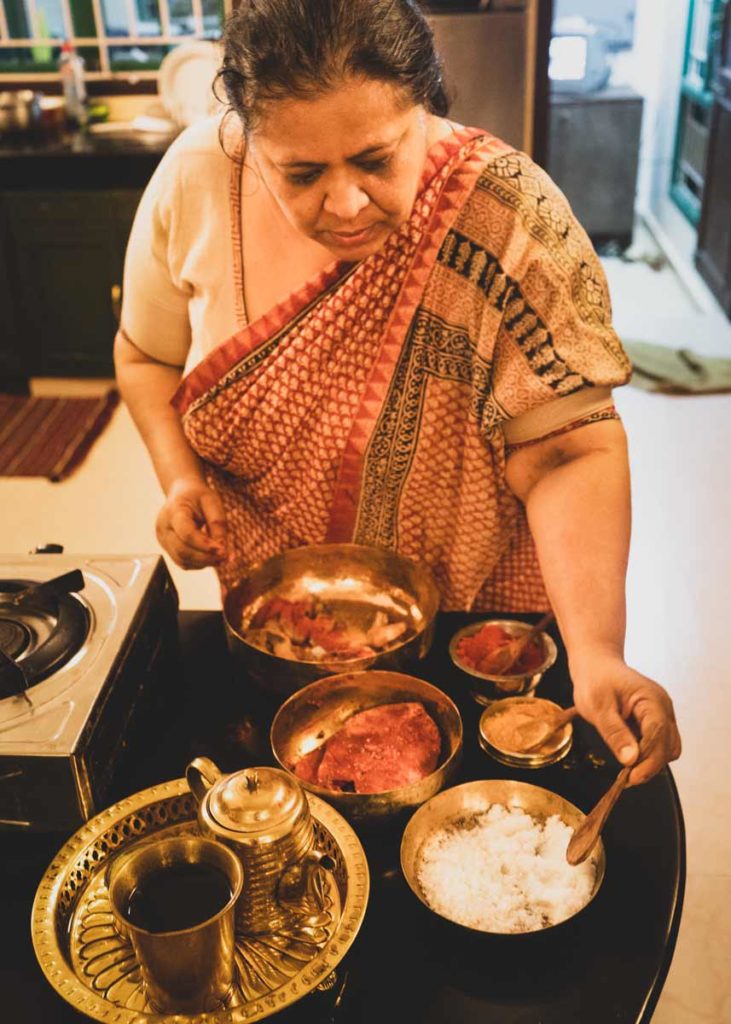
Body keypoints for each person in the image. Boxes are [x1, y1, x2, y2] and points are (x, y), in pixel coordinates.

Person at [114, 0, 680, 786]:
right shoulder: (197, 176)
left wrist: (596, 655)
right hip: (284, 625)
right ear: (248, 137)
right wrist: (179, 479)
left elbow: (565, 450)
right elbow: (144, 356)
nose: (343, 204)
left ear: (427, 110)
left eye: (375, 160)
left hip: (463, 621)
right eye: (301, 173)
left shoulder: (505, 215)